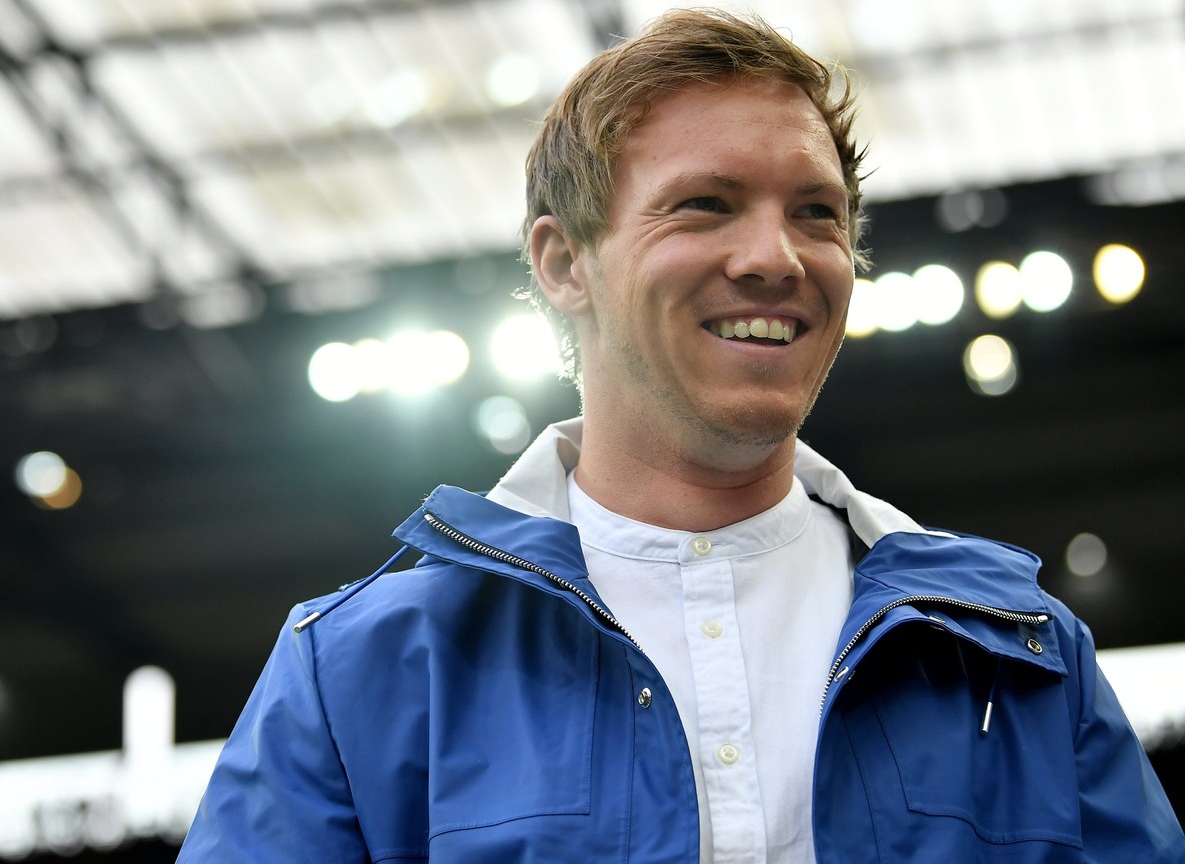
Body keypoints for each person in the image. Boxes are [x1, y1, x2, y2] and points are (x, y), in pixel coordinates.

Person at [177, 9, 1184, 862]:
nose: (775, 256)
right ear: (565, 263)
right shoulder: (360, 670)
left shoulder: (1022, 658)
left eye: (817, 214)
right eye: (705, 205)